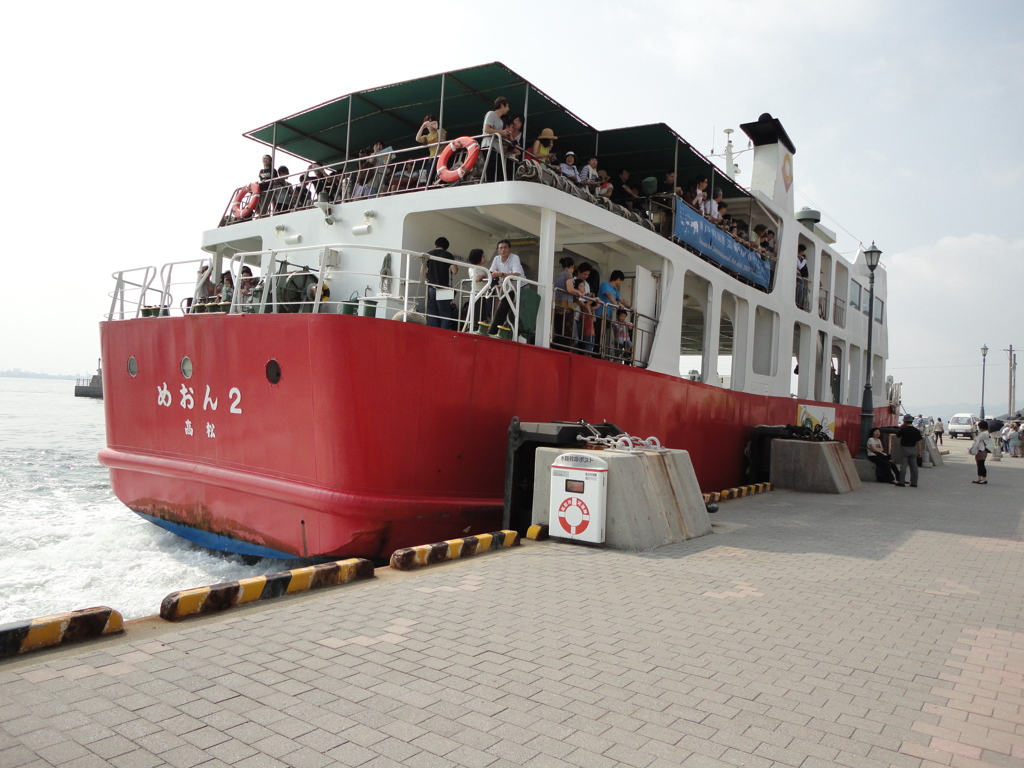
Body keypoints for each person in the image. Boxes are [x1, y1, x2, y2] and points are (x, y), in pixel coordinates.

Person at [487, 240, 524, 335]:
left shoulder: (515, 258)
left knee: (517, 312)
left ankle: (516, 334)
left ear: (510, 249)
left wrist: (501, 274)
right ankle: (498, 332)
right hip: (508, 288)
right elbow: (491, 273)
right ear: (498, 250)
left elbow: (517, 274)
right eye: (500, 248)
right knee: (504, 310)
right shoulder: (496, 259)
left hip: (521, 288)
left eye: (505, 247)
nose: (503, 250)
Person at [425, 237, 457, 329]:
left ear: (436, 245)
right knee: (445, 313)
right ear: (446, 247)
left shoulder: (429, 254)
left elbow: (424, 273)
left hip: (431, 287)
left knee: (433, 313)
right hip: (444, 288)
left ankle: (434, 333)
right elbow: (454, 271)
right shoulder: (448, 255)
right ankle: (443, 333)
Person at [597, 270, 632, 353]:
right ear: (618, 279)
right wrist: (616, 305)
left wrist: (631, 307)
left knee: (604, 336)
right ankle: (597, 354)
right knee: (598, 335)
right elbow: (608, 294)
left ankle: (602, 353)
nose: (621, 283)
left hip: (607, 316)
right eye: (621, 281)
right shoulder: (605, 284)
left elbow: (622, 299)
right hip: (600, 314)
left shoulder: (615, 290)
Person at [481, 97, 512, 182]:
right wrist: (501, 132)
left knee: (497, 171)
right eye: (507, 106)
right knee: (490, 169)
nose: (508, 109)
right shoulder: (491, 114)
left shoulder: (501, 122)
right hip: (488, 145)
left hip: (497, 148)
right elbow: (486, 129)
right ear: (502, 105)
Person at [895, 414, 922, 487]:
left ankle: (901, 482)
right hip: (913, 449)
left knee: (903, 465)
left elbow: (898, 436)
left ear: (905, 421)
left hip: (904, 448)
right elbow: (919, 442)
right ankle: (914, 483)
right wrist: (919, 452)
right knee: (914, 466)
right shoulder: (916, 430)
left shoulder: (903, 429)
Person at [796, 244, 810, 308]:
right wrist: (804, 260)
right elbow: (800, 267)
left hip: (800, 278)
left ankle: (798, 304)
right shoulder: (796, 258)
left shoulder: (799, 258)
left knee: (800, 293)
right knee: (798, 292)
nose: (803, 253)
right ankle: (796, 304)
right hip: (797, 278)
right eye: (803, 251)